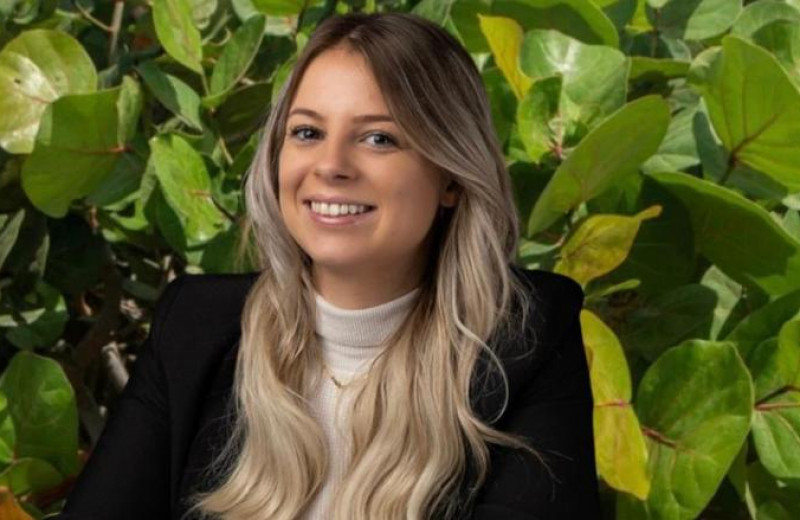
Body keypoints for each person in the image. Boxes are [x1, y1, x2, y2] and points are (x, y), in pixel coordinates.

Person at [55, 11, 600, 520]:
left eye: (379, 138)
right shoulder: (196, 325)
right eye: (308, 133)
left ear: (452, 178)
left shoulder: (526, 337)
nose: (331, 165)